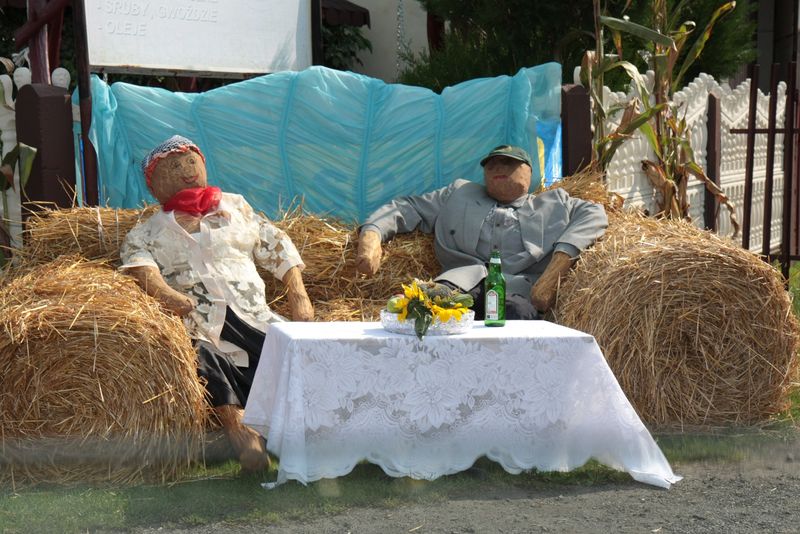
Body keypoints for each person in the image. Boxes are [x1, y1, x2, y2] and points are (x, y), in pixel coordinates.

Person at [120, 135, 314, 471]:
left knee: (289, 348)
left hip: (252, 314)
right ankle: (243, 435)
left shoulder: (235, 206)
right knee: (203, 358)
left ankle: (310, 430)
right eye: (174, 167)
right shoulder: (148, 231)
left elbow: (275, 243)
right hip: (200, 320)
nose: (186, 172)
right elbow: (140, 266)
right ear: (154, 184)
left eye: (191, 162)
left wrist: (299, 294)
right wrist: (167, 294)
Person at [356, 144, 608, 318]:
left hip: (514, 289)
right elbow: (407, 207)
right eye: (491, 164)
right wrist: (373, 234)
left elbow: (595, 214)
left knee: (518, 316)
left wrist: (556, 269)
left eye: (508, 163)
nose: (498, 167)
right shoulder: (458, 193)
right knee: (415, 309)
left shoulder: (555, 202)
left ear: (528, 171)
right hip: (458, 283)